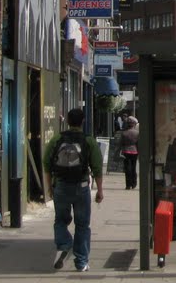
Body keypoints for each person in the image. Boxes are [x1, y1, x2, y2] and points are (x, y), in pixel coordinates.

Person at [43, 107, 104, 272]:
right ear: (83, 121)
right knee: (82, 224)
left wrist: (49, 187)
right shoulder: (88, 140)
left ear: (67, 121)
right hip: (81, 186)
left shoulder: (57, 139)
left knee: (60, 220)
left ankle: (64, 244)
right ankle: (81, 262)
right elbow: (97, 167)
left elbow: (46, 163)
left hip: (61, 186)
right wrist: (99, 190)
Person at [118, 117, 139, 190]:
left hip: (126, 151)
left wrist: (118, 152)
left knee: (127, 169)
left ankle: (128, 185)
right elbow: (138, 143)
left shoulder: (124, 133)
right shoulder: (137, 133)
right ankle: (134, 183)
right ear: (133, 125)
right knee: (133, 168)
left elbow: (120, 143)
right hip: (135, 151)